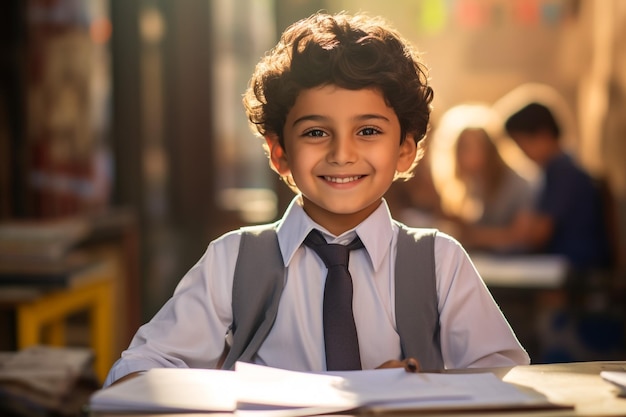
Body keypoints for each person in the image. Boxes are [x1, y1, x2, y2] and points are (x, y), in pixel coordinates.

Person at [104, 11, 529, 387]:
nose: (342, 154)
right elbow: (136, 371)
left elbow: (503, 380)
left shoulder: (441, 262)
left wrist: (419, 389)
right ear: (279, 152)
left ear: (405, 149)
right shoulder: (232, 262)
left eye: (368, 131)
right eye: (315, 132)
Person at [460, 101, 611, 270]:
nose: (522, 152)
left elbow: (536, 234)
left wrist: (481, 236)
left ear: (543, 136)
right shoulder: (554, 170)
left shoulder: (562, 171)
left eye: (522, 143)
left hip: (579, 266)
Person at [430, 104, 536, 254]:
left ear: (489, 148)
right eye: (459, 148)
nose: (462, 155)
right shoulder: (471, 185)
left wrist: (472, 235)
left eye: (468, 147)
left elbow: (521, 237)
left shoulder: (517, 184)